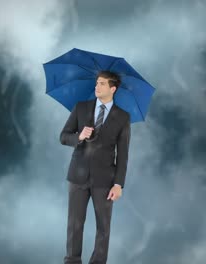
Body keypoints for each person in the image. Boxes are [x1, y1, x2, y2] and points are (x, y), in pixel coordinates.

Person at [60, 70, 131, 264]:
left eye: (102, 84)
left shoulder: (123, 117)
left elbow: (123, 154)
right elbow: (63, 136)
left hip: (105, 181)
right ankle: (72, 261)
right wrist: (79, 137)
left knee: (103, 227)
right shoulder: (81, 108)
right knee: (74, 224)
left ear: (113, 88)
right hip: (77, 177)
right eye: (97, 83)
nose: (97, 87)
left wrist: (118, 184)